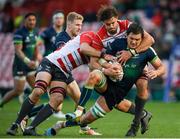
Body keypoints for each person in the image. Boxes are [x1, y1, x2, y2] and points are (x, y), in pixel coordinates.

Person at [46, 23, 165, 137]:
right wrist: (108, 67)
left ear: (142, 39)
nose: (134, 41)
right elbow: (100, 59)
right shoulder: (117, 44)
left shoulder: (147, 51)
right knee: (94, 75)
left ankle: (60, 125)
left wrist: (156, 72)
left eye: (137, 40)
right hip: (107, 81)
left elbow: (161, 67)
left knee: (85, 120)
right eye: (131, 38)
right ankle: (78, 110)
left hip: (115, 94)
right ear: (126, 36)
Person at [6, 31, 120, 136]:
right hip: (51, 62)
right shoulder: (89, 35)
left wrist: (114, 70)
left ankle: (30, 128)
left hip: (63, 72)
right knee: (38, 91)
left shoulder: (98, 51)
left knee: (57, 100)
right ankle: (15, 124)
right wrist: (105, 59)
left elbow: (94, 65)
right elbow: (84, 49)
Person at [66, 5, 154, 135]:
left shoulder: (126, 25)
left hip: (136, 63)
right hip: (116, 70)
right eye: (108, 24)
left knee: (142, 84)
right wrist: (105, 70)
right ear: (103, 23)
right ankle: (143, 114)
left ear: (117, 19)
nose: (111, 26)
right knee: (114, 99)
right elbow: (92, 64)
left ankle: (135, 125)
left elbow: (150, 39)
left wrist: (132, 52)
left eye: (113, 22)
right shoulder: (99, 36)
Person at [0, 13, 39, 108]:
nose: (32, 22)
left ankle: (33, 112)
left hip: (30, 65)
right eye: (29, 20)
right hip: (20, 65)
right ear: (25, 21)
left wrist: (36, 60)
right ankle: (1, 103)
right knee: (18, 90)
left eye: (33, 20)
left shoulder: (35, 32)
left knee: (37, 89)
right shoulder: (19, 33)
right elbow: (18, 50)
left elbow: (35, 47)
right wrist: (27, 61)